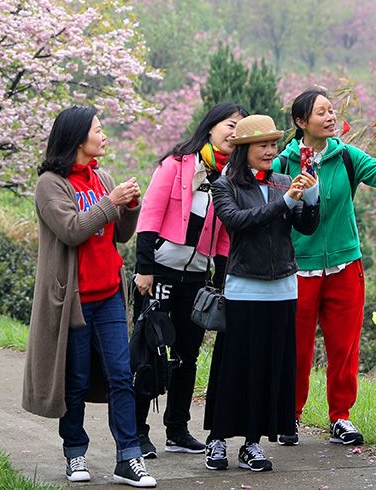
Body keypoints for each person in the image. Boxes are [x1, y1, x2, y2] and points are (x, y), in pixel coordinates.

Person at [274, 88, 376, 446]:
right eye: (321, 113)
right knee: (295, 348)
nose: (330, 118)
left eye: (332, 111)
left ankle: (340, 417)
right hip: (299, 269)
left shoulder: (348, 157)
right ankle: (290, 416)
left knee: (344, 347)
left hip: (346, 266)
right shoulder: (284, 163)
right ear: (301, 122)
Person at [22, 106, 158, 488]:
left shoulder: (103, 178)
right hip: (74, 301)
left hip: (111, 295)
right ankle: (75, 453)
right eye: (99, 129)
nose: (104, 135)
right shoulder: (51, 184)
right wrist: (111, 202)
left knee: (121, 376)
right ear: (78, 138)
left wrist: (130, 207)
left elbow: (120, 235)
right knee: (77, 380)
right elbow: (71, 229)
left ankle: (128, 458)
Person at [202, 114, 319, 473]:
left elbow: (306, 226)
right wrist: (286, 203)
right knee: (234, 366)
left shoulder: (285, 181)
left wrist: (310, 195)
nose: (270, 151)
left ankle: (252, 443)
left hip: (283, 287)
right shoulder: (225, 185)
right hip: (244, 288)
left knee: (269, 368)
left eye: (273, 144)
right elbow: (239, 222)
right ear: (244, 150)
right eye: (263, 145)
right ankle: (218, 439)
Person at [131, 102, 247, 459]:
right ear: (211, 126)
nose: (233, 133)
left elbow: (226, 234)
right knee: (149, 351)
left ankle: (177, 430)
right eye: (229, 124)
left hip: (198, 278)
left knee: (188, 354)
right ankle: (136, 433)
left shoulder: (229, 178)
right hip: (160, 271)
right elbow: (150, 213)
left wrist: (222, 278)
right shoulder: (177, 164)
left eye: (240, 129)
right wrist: (144, 268)